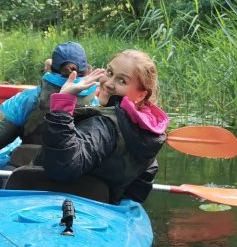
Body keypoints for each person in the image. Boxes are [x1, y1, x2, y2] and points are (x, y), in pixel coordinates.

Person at [35, 50, 169, 204]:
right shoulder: (148, 132)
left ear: (140, 95)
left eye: (122, 81)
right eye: (110, 72)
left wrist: (63, 103)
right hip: (106, 213)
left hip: (60, 206)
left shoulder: (104, 125)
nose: (109, 83)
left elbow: (62, 167)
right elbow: (138, 190)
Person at [0, 41, 97, 167]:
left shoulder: (29, 98)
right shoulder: (95, 104)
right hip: (74, 176)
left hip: (27, 172)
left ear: (50, 68)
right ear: (88, 71)